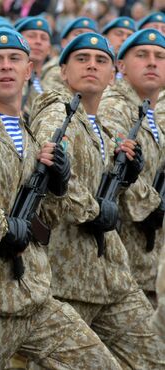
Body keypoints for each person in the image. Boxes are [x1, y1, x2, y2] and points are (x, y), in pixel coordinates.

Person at [0, 28, 121, 369]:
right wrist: (2, 227)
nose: (6, 67)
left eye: (15, 60)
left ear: (29, 70)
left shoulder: (25, 130)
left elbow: (46, 215)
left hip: (35, 297)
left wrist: (59, 184)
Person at [30, 32, 165, 368]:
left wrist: (129, 176)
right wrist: (93, 210)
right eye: (82, 59)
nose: (92, 65)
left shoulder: (103, 128)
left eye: (100, 61)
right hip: (66, 276)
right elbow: (49, 168)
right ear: (62, 71)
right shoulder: (58, 112)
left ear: (111, 74)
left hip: (111, 277)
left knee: (154, 357)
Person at [99, 29, 165, 308]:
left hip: (146, 258)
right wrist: (153, 205)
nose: (152, 62)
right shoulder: (116, 107)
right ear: (121, 67)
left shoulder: (148, 112)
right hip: (123, 253)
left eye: (160, 56)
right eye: (142, 55)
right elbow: (114, 167)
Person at [40, 17, 97, 92]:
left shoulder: (98, 68)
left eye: (90, 36)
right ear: (64, 43)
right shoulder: (55, 70)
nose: (84, 39)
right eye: (78, 34)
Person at [15, 16, 52, 120]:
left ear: (49, 48)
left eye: (44, 38)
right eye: (32, 36)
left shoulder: (56, 81)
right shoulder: (10, 77)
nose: (38, 42)